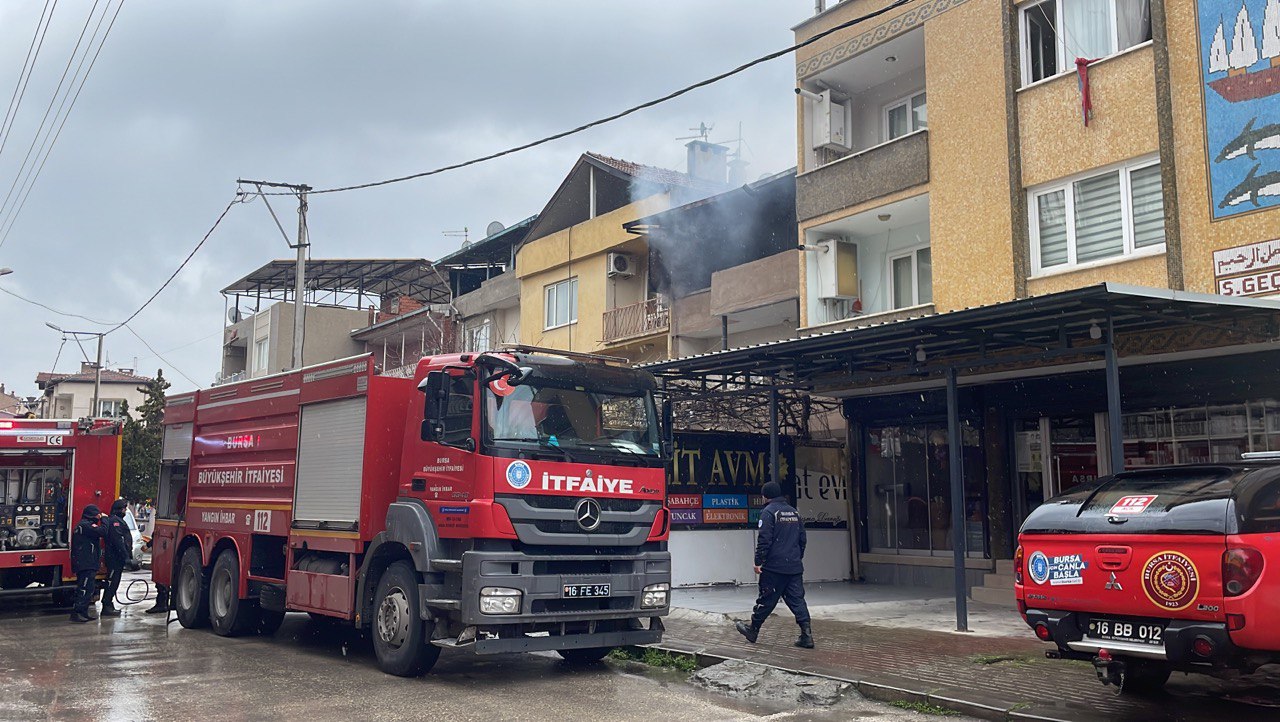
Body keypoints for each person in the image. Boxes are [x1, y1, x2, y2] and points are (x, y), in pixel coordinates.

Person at [734, 481, 815, 649]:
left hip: (774, 567)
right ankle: (807, 635)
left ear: (766, 496)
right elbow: (802, 539)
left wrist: (758, 562)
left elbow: (764, 540)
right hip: (793, 567)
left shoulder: (769, 512)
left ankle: (753, 630)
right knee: (797, 600)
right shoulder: (794, 512)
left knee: (766, 599)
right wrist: (795, 558)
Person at [69, 504, 106, 623]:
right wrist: (104, 519)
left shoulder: (84, 525)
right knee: (84, 588)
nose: (98, 516)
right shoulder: (85, 525)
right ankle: (77, 612)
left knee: (89, 588)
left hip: (87, 561)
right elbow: (103, 531)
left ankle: (83, 612)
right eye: (97, 514)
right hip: (85, 562)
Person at [101, 498, 133, 617]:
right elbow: (118, 541)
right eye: (124, 508)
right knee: (112, 582)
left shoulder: (117, 520)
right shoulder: (115, 522)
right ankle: (107, 605)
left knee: (114, 581)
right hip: (115, 558)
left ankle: (109, 604)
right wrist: (126, 558)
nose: (125, 511)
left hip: (116, 558)